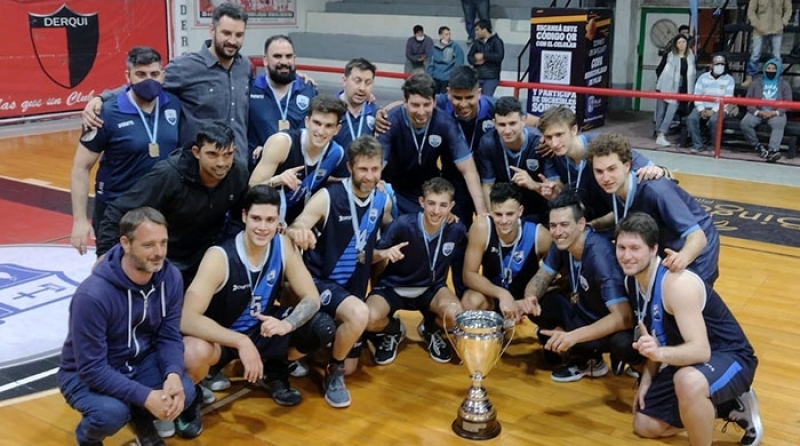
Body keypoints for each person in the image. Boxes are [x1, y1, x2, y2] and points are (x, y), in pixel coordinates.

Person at [180, 185, 335, 409]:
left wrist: (287, 324)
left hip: (262, 330)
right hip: (224, 337)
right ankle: (192, 394)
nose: (263, 227)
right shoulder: (219, 257)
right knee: (192, 352)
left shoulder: (282, 246)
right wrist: (240, 341)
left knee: (322, 326)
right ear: (244, 216)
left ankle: (274, 367)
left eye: (270, 220)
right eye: (256, 218)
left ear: (278, 221)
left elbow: (312, 298)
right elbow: (187, 318)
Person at [615, 212, 762, 446]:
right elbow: (654, 335)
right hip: (688, 360)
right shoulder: (631, 280)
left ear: (654, 249)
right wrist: (646, 381)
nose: (627, 256)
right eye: (621, 248)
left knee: (687, 382)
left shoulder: (676, 284)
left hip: (730, 357)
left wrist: (659, 354)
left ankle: (729, 397)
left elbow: (701, 351)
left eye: (635, 248)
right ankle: (721, 404)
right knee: (645, 425)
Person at [57, 207, 199, 445]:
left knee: (185, 390)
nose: (158, 253)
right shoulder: (92, 295)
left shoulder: (171, 277)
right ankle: (87, 437)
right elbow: (92, 369)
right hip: (84, 373)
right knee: (110, 414)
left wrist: (172, 373)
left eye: (163, 243)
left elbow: (169, 336)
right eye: (149, 245)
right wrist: (146, 396)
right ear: (125, 243)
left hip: (139, 361)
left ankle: (141, 421)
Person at [286, 136, 395, 408]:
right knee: (359, 314)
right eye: (363, 169)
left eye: (374, 169)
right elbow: (299, 223)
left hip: (352, 288)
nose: (369, 176)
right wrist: (299, 229)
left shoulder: (383, 200)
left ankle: (324, 348)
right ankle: (321, 371)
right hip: (319, 281)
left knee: (353, 366)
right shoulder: (328, 197)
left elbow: (383, 236)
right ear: (349, 167)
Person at [83, 3, 253, 164]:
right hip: (198, 170)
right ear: (212, 30)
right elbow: (144, 83)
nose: (232, 40)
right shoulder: (186, 67)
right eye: (226, 33)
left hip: (237, 164)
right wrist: (101, 98)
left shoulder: (245, 66)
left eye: (239, 35)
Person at [96, 122, 249, 286]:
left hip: (208, 256)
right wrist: (105, 253)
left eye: (228, 154)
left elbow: (240, 216)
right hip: (167, 257)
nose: (221, 163)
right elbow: (119, 210)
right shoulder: (168, 174)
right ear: (196, 152)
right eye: (212, 154)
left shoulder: (238, 172)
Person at [71, 46, 180, 256]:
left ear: (163, 74)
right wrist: (79, 221)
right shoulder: (104, 113)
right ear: (127, 76)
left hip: (160, 208)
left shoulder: (173, 105)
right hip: (117, 209)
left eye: (154, 74)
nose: (149, 80)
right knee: (110, 272)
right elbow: (80, 168)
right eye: (141, 74)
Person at [521, 190, 633, 382]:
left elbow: (624, 317)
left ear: (581, 224)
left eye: (564, 225)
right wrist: (529, 298)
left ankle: (589, 357)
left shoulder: (600, 256)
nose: (557, 232)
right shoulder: (561, 243)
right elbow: (541, 277)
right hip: (582, 309)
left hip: (608, 323)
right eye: (553, 225)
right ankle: (575, 347)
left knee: (621, 343)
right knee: (538, 306)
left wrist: (573, 336)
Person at [585, 133, 720, 285]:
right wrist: (595, 225)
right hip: (665, 247)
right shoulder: (613, 189)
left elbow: (698, 236)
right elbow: (624, 212)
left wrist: (682, 258)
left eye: (611, 169)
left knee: (683, 299)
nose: (606, 178)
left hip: (697, 251)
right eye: (599, 171)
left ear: (627, 166)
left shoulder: (656, 191)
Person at [365, 177, 467, 365]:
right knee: (368, 318)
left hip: (431, 288)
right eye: (431, 203)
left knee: (457, 316)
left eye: (443, 205)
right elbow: (369, 257)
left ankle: (430, 328)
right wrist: (384, 253)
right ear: (421, 202)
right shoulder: (402, 224)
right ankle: (393, 329)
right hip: (394, 286)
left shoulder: (456, 229)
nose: (436, 211)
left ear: (451, 206)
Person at [378, 72, 487, 220]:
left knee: (452, 222)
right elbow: (376, 167)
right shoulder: (390, 122)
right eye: (415, 105)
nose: (421, 112)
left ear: (434, 102)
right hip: (395, 189)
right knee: (381, 204)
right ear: (405, 101)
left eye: (426, 105)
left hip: (428, 191)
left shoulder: (445, 123)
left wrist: (482, 215)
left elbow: (469, 170)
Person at [536, 106, 668, 225]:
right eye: (549, 137)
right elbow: (562, 193)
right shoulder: (552, 155)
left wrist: (660, 170)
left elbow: (665, 174)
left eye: (559, 134)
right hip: (593, 219)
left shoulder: (603, 146)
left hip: (629, 221)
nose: (554, 143)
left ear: (574, 129)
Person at [249, 94, 347, 223]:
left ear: (337, 129)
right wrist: (276, 180)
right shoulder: (282, 143)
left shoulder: (336, 153)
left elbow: (329, 177)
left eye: (328, 126)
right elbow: (252, 188)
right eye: (317, 123)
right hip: (261, 220)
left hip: (294, 222)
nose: (321, 131)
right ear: (307, 121)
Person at [462, 183, 551, 321]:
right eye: (498, 214)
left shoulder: (538, 235)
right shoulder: (482, 228)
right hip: (494, 296)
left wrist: (532, 296)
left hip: (526, 301)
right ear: (491, 212)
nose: (504, 221)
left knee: (556, 302)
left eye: (510, 214)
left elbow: (558, 268)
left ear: (520, 211)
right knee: (470, 301)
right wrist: (502, 294)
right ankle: (491, 332)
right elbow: (468, 275)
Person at [475, 96, 550, 223]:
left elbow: (554, 187)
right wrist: (493, 216)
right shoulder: (488, 143)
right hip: (503, 210)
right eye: (502, 124)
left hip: (535, 209)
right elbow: (488, 185)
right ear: (494, 123)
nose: (507, 130)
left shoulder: (541, 143)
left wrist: (533, 184)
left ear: (523, 120)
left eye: (512, 123)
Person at [248, 35, 319, 169]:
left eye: (288, 56)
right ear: (265, 60)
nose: (284, 61)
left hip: (298, 172)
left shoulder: (308, 90)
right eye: (277, 56)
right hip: (260, 170)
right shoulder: (250, 90)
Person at [739, 58, 792, 163]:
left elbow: (788, 102)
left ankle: (773, 150)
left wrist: (775, 112)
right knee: (745, 123)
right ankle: (758, 146)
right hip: (758, 111)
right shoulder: (755, 83)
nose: (771, 70)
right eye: (768, 68)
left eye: (773, 68)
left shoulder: (784, 84)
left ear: (778, 70)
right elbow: (748, 100)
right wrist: (757, 112)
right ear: (764, 69)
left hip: (776, 112)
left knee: (778, 123)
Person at [687, 54, 735, 153]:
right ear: (712, 65)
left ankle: (715, 147)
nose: (720, 66)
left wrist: (713, 111)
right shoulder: (703, 77)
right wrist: (701, 109)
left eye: (722, 64)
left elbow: (727, 98)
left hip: (721, 107)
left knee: (714, 121)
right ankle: (698, 145)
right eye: (717, 64)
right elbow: (697, 95)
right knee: (691, 119)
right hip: (703, 106)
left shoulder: (729, 79)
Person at [653, 34, 696, 147]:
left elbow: (691, 75)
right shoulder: (671, 55)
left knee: (671, 111)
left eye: (684, 42)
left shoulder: (691, 56)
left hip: (680, 89)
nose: (682, 45)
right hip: (665, 86)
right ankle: (659, 134)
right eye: (679, 42)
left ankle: (662, 133)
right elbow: (665, 72)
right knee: (660, 111)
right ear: (676, 44)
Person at [334, 58, 379, 163]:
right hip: (331, 178)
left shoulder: (375, 113)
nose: (362, 88)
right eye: (357, 81)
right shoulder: (329, 110)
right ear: (344, 81)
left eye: (368, 83)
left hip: (364, 177)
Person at [742, 0, 791, 87]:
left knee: (776, 56)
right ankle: (750, 78)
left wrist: (783, 22)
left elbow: (788, 9)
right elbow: (751, 11)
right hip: (759, 30)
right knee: (755, 54)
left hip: (777, 30)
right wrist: (756, 24)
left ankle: (778, 79)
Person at [467, 20, 504, 97]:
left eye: (477, 30)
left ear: (484, 29)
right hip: (477, 76)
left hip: (491, 77)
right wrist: (475, 61)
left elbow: (499, 56)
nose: (476, 32)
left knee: (485, 99)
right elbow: (469, 56)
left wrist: (484, 56)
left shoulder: (497, 41)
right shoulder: (477, 43)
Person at [428, 26, 465, 94]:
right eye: (446, 34)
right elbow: (430, 63)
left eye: (449, 34)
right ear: (440, 35)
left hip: (448, 78)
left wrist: (454, 76)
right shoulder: (434, 47)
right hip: (435, 78)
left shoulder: (455, 47)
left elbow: (459, 63)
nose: (448, 36)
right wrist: (430, 76)